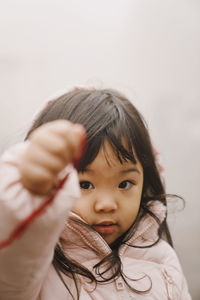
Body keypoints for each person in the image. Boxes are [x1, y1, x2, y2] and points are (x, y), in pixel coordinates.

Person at [0, 88, 191, 300]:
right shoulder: (37, 268)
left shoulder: (162, 260)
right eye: (84, 184)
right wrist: (30, 194)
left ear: (146, 181)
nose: (107, 205)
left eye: (125, 183)